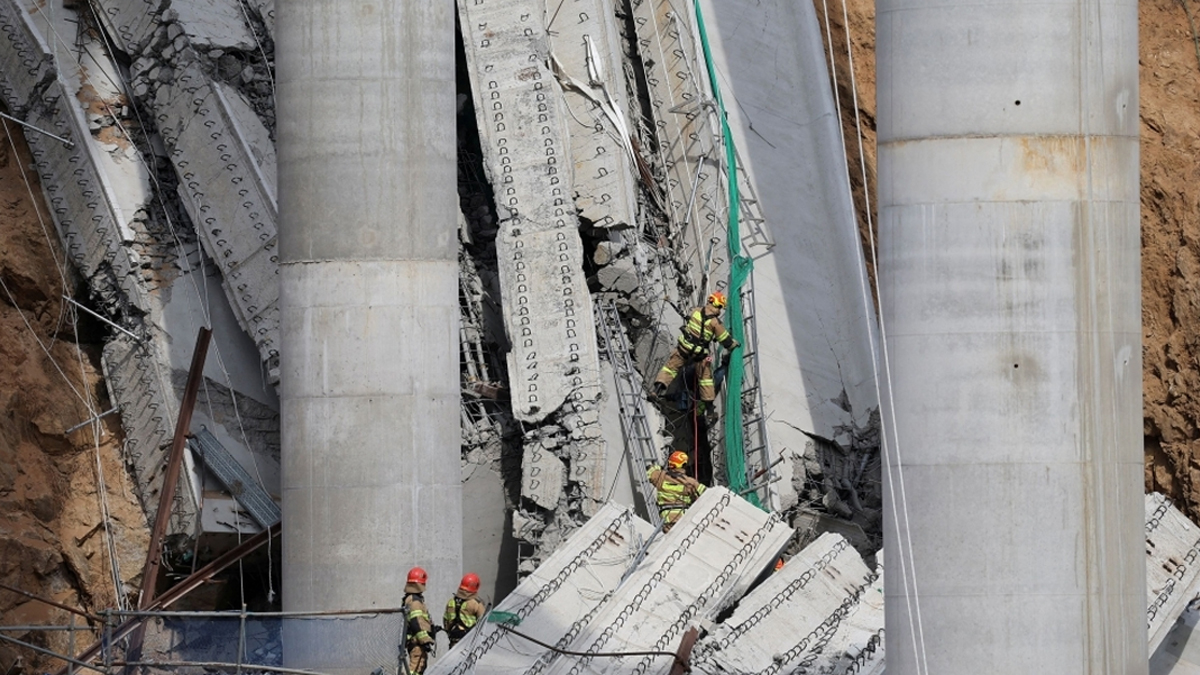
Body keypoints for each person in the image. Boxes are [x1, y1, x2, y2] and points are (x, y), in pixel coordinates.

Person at [653, 292, 739, 404]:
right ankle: (709, 410)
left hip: (683, 349)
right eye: (720, 308)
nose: (720, 310)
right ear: (718, 306)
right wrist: (735, 344)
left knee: (670, 368)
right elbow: (726, 341)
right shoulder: (715, 322)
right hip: (699, 355)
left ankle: (656, 391)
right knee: (705, 379)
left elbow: (689, 320)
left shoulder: (696, 311)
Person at [647, 451, 706, 532]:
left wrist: (657, 468)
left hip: (666, 520)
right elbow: (706, 492)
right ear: (684, 465)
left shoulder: (661, 477)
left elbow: (650, 472)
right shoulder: (689, 482)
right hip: (683, 519)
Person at [403, 567, 435, 674]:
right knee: (416, 669)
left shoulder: (410, 598)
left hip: (414, 641)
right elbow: (416, 622)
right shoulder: (415, 602)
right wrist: (425, 640)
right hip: (417, 643)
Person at [443, 572, 488, 648]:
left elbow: (445, 621)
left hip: (454, 640)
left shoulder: (451, 602)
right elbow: (484, 623)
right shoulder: (476, 604)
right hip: (469, 642)